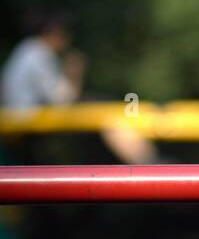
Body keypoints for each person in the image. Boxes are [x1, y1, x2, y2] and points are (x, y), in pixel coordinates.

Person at [0, 10, 157, 165]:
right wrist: (75, 73)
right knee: (103, 110)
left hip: (22, 118)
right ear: (54, 34)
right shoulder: (38, 54)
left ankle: (142, 159)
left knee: (99, 109)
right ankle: (146, 162)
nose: (67, 40)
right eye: (65, 35)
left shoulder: (27, 51)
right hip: (25, 121)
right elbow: (64, 99)